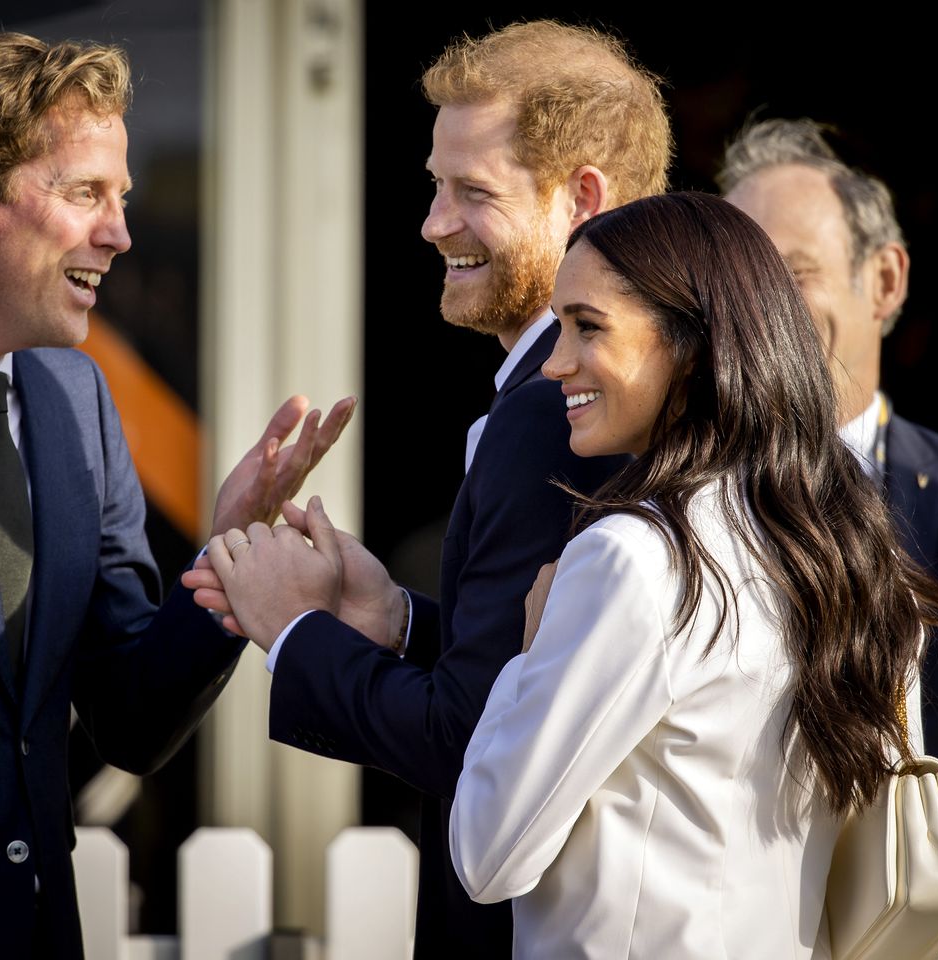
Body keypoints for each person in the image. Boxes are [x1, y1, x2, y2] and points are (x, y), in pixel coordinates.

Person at [0, 33, 352, 959]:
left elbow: (133, 720)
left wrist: (226, 548)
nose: (120, 233)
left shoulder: (77, 399)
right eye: (84, 194)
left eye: (123, 198)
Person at [182, 19, 671, 957]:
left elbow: (473, 740)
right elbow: (563, 671)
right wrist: (400, 621)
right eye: (434, 186)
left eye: (471, 192)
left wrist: (295, 629)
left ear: (583, 197)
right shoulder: (628, 397)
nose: (433, 222)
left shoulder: (552, 414)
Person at [432, 191, 938, 957]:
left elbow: (488, 853)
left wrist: (528, 656)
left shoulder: (632, 561)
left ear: (692, 344)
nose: (554, 362)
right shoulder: (852, 552)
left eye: (588, 326)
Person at [718, 118, 938, 956]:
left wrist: (910, 927)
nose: (760, 308)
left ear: (883, 280)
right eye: (741, 280)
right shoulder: (674, 501)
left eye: (794, 273)